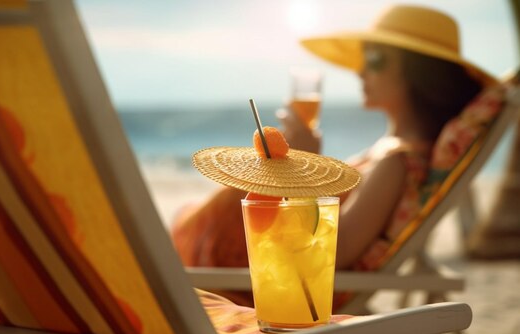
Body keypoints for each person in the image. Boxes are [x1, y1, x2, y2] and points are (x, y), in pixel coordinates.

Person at [172, 4, 494, 306]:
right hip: (240, 261)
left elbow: (335, 253)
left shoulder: (397, 162)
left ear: (420, 73)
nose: (360, 71)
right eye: (362, 59)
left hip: (261, 283)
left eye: (376, 60)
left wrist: (302, 172)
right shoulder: (387, 151)